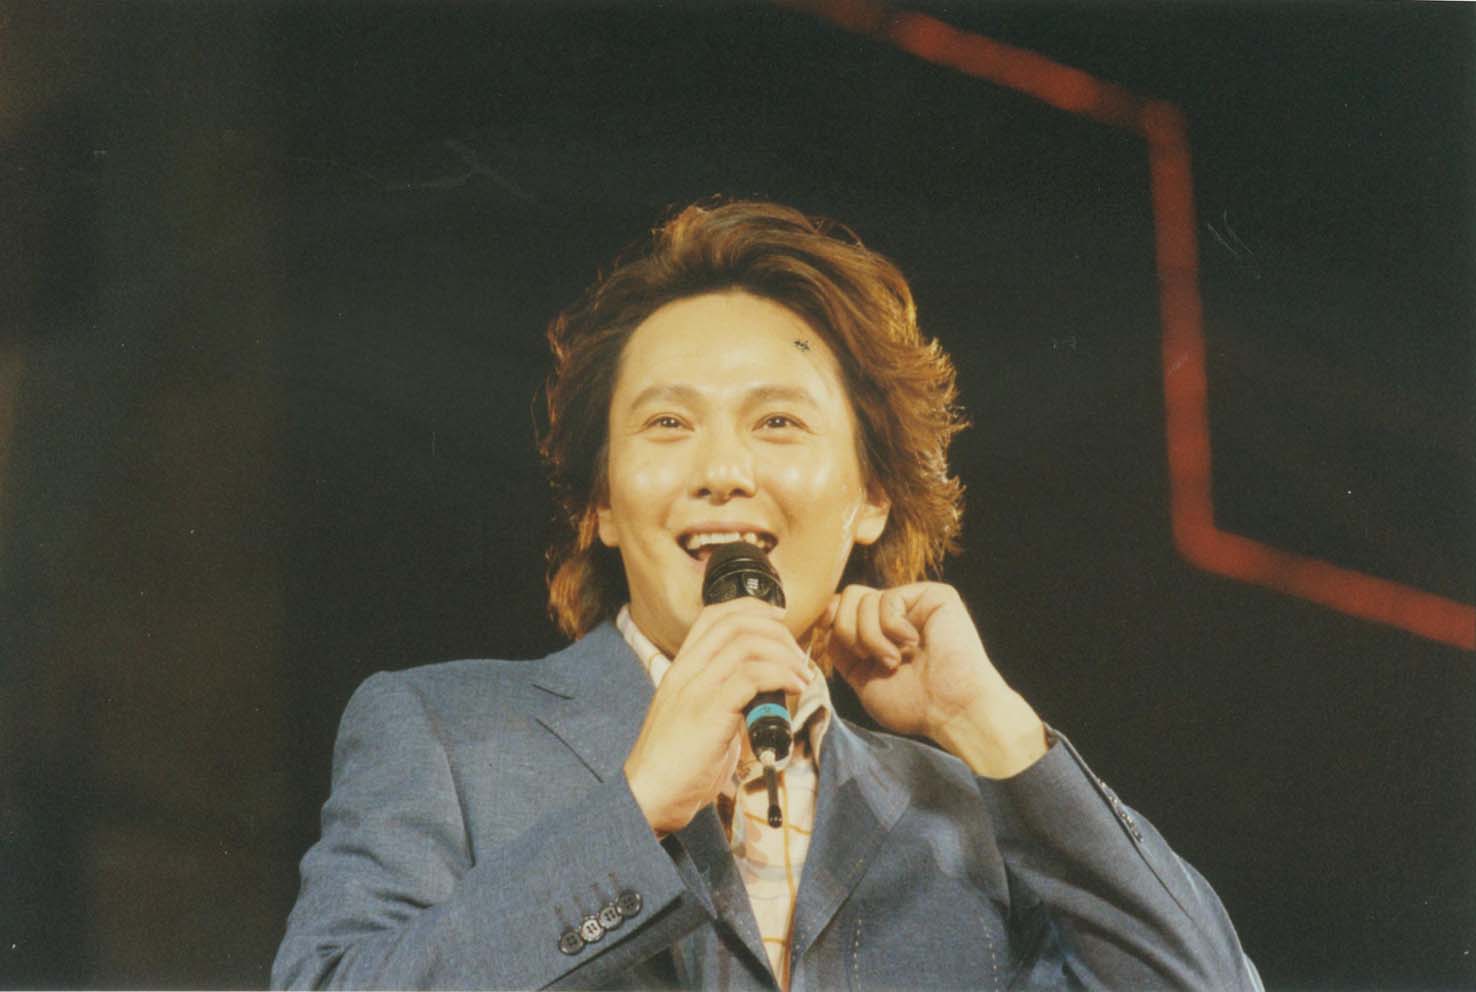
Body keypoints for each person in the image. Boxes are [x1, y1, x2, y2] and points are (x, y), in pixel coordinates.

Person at [272, 200, 1261, 990]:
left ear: (872, 497)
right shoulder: (443, 733)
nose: (722, 472)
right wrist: (636, 810)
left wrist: (989, 725)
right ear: (603, 502)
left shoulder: (967, 814)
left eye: (778, 422)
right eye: (667, 423)